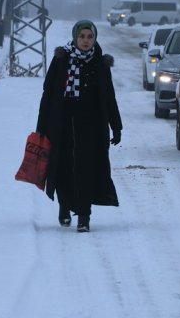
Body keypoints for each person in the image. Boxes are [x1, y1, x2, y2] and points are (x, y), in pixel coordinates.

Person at [36, 20, 123, 232]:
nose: (85, 41)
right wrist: (42, 126)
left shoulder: (100, 63)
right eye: (82, 36)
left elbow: (109, 97)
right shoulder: (62, 60)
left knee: (87, 169)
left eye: (90, 37)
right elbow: (48, 93)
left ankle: (84, 216)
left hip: (91, 126)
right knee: (64, 167)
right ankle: (64, 205)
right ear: (75, 37)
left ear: (95, 39)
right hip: (62, 125)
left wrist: (116, 126)